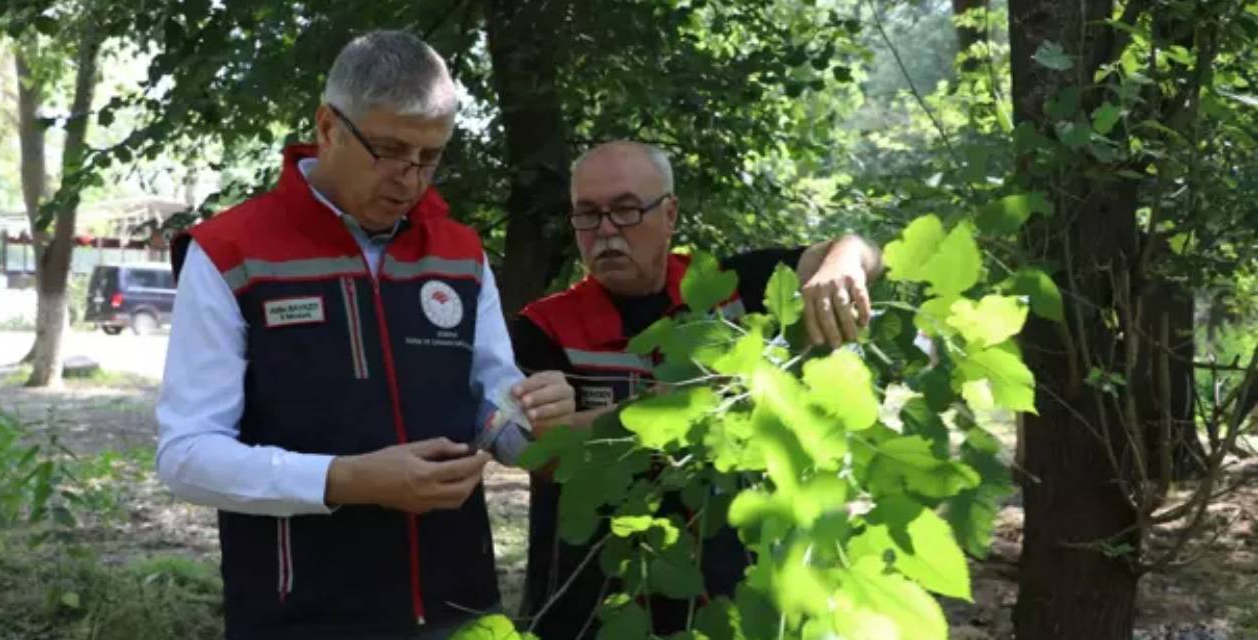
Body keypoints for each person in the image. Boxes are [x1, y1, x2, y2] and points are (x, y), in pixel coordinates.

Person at [154, 30, 575, 639]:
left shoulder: (459, 253)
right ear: (328, 127)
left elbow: (490, 406)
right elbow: (186, 456)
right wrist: (347, 480)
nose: (411, 178)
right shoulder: (230, 253)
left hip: (460, 609)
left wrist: (534, 415)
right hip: (300, 615)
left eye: (430, 157)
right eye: (390, 150)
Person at [512, 141, 882, 639]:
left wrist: (842, 265)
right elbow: (541, 452)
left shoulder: (727, 289)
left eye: (624, 210)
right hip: (592, 605)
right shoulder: (544, 327)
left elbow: (856, 248)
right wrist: (665, 410)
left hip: (726, 603)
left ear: (669, 214)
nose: (605, 231)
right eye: (588, 214)